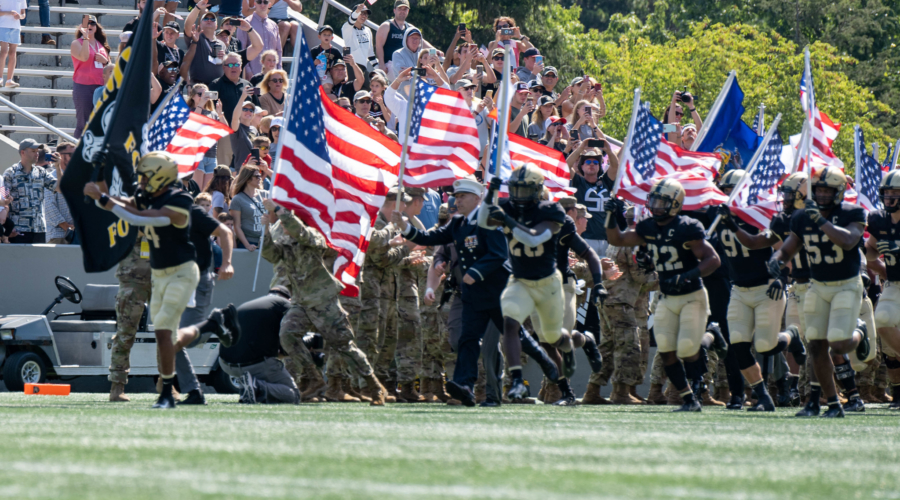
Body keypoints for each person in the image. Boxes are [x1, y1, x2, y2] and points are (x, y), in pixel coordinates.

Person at [84, 152, 240, 409]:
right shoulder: (147, 197)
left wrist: (102, 197)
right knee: (160, 336)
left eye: (146, 177)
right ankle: (171, 387)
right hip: (155, 273)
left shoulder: (180, 201)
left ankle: (172, 383)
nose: (141, 182)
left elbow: (136, 217)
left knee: (168, 336)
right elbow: (122, 203)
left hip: (181, 272)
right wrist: (100, 172)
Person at [605, 178, 723, 412]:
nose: (656, 205)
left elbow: (713, 260)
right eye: (654, 200)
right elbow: (617, 239)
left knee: (688, 348)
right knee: (667, 350)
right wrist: (610, 216)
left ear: (676, 204)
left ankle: (709, 343)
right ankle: (688, 397)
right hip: (667, 297)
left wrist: (687, 275)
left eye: (662, 201)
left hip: (691, 294)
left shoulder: (687, 226)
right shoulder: (648, 226)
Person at [393, 178, 509, 407]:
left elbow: (499, 254)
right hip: (471, 295)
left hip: (496, 294)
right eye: (456, 196)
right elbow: (429, 239)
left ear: (478, 198)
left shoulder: (490, 220)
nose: (458, 200)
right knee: (466, 339)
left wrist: (475, 272)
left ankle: (557, 379)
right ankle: (465, 386)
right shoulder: (457, 223)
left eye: (463, 196)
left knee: (516, 340)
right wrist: (405, 228)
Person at [261, 197, 389, 405]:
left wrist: (278, 209)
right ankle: (314, 379)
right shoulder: (286, 240)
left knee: (344, 345)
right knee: (287, 336)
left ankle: (374, 386)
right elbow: (272, 255)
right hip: (302, 301)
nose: (282, 226)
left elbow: (301, 233)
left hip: (323, 299)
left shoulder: (314, 235)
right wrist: (266, 230)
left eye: (285, 222)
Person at [769, 167, 873, 418]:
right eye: (819, 190)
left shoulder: (852, 212)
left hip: (846, 284)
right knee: (816, 345)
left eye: (828, 190)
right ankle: (831, 404)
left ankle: (859, 332)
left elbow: (849, 241)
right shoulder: (802, 217)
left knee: (838, 345)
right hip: (817, 284)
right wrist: (777, 259)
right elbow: (789, 247)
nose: (823, 195)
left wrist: (821, 221)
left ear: (839, 192)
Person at [713, 171, 807, 412]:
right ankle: (762, 395)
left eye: (731, 190)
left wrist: (782, 276)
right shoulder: (717, 216)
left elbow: (780, 249)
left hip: (766, 288)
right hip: (739, 289)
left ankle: (792, 337)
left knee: (766, 345)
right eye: (724, 189)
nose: (726, 195)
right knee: (738, 345)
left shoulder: (759, 216)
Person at [174, 195, 236, 405]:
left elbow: (225, 231)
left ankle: (214, 322)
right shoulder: (160, 215)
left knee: (183, 341)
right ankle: (193, 392)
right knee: (167, 339)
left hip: (197, 280)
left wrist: (226, 263)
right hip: (173, 282)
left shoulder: (194, 212)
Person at [219, 287, 301, 404]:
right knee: (293, 395)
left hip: (225, 364)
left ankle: (251, 388)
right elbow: (290, 338)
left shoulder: (251, 304)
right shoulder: (284, 304)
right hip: (254, 366)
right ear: (289, 298)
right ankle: (257, 386)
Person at [864, 170, 900, 409]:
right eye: (886, 193)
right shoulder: (878, 219)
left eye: (895, 192)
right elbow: (870, 251)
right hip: (894, 284)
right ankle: (898, 393)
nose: (889, 197)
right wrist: (883, 269)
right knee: (883, 322)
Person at [568, 142, 618, 256]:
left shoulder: (606, 181)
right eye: (588, 162)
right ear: (581, 166)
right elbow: (565, 166)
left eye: (595, 162)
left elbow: (615, 166)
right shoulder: (578, 182)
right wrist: (580, 149)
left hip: (606, 239)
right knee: (589, 271)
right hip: (586, 238)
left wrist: (609, 150)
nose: (592, 164)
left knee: (608, 272)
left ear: (599, 166)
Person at [2, 138, 55, 243]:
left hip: (39, 229)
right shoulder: (10, 173)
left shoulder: (41, 172)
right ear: (23, 152)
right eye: (33, 151)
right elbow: (4, 201)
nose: (37, 154)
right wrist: (8, 228)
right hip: (18, 230)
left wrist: (57, 167)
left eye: (37, 152)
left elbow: (59, 187)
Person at [70, 15, 110, 138]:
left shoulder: (101, 45)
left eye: (92, 24)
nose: (90, 26)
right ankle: (77, 152)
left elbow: (109, 68)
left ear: (96, 27)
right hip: (84, 86)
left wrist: (106, 61)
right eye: (87, 24)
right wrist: (86, 39)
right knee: (83, 123)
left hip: (100, 86)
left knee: (99, 122)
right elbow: (85, 57)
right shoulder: (77, 43)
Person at [188, 84, 230, 189]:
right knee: (196, 191)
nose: (203, 96)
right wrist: (200, 105)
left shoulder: (213, 114)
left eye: (205, 94)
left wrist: (220, 114)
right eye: (200, 94)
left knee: (206, 192)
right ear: (192, 96)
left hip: (211, 156)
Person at [236, 0, 281, 78]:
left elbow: (278, 50)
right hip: (253, 74)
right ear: (254, 4)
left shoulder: (274, 25)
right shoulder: (246, 23)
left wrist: (279, 70)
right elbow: (241, 49)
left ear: (269, 5)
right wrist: (248, 72)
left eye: (265, 2)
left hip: (272, 75)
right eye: (259, 2)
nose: (262, 5)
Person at [43, 142, 75, 244]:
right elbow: (48, 206)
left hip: (78, 235)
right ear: (59, 155)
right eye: (71, 154)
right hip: (57, 235)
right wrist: (66, 226)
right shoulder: (50, 177)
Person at [229, 164, 266, 250]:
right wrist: (247, 245)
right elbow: (236, 226)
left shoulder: (265, 194)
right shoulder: (237, 199)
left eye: (260, 175)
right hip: (249, 243)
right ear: (247, 179)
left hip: (266, 242)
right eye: (257, 176)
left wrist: (267, 170)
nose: (260, 178)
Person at [375, 0, 415, 74]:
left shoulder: (410, 28)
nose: (402, 11)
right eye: (400, 9)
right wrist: (382, 64)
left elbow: (421, 41)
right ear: (394, 10)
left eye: (405, 9)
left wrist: (435, 50)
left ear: (408, 11)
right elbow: (379, 46)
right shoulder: (386, 26)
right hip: (390, 65)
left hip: (405, 65)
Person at [342, 3, 375, 82]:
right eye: (361, 13)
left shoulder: (368, 30)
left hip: (363, 67)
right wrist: (357, 12)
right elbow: (351, 21)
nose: (364, 16)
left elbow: (371, 54)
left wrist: (378, 69)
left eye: (366, 14)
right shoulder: (347, 28)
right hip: (350, 66)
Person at [228, 92, 258, 171]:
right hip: (242, 170)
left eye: (251, 110)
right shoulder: (237, 127)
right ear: (240, 112)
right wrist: (242, 97)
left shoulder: (254, 129)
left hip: (256, 170)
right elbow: (235, 118)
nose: (248, 112)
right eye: (245, 109)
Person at [388, 27, 422, 91]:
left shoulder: (423, 54)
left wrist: (411, 70)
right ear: (406, 39)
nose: (414, 40)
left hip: (420, 95)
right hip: (403, 96)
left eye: (417, 38)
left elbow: (428, 73)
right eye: (412, 38)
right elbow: (403, 73)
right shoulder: (397, 54)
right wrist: (421, 71)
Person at [0, 0, 24, 86]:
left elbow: (23, 14)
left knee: (13, 53)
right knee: (4, 52)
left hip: (16, 27)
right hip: (3, 26)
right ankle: (0, 78)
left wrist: (19, 16)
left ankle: (9, 80)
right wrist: (9, 13)